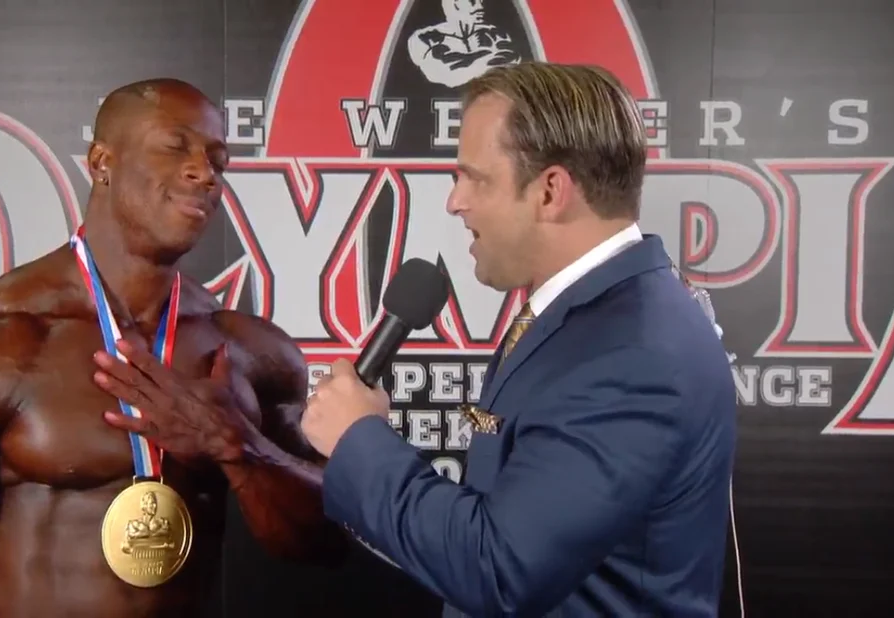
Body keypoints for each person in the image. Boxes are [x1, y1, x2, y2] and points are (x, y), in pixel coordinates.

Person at [0, 78, 346, 618]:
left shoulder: (248, 352)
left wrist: (237, 447)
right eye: (175, 146)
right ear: (101, 163)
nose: (205, 173)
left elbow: (325, 543)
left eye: (218, 161)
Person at [301, 62, 737, 617]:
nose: (454, 201)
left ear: (550, 191)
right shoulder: (592, 315)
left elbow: (499, 571)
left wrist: (358, 440)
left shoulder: (633, 353)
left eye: (474, 179)